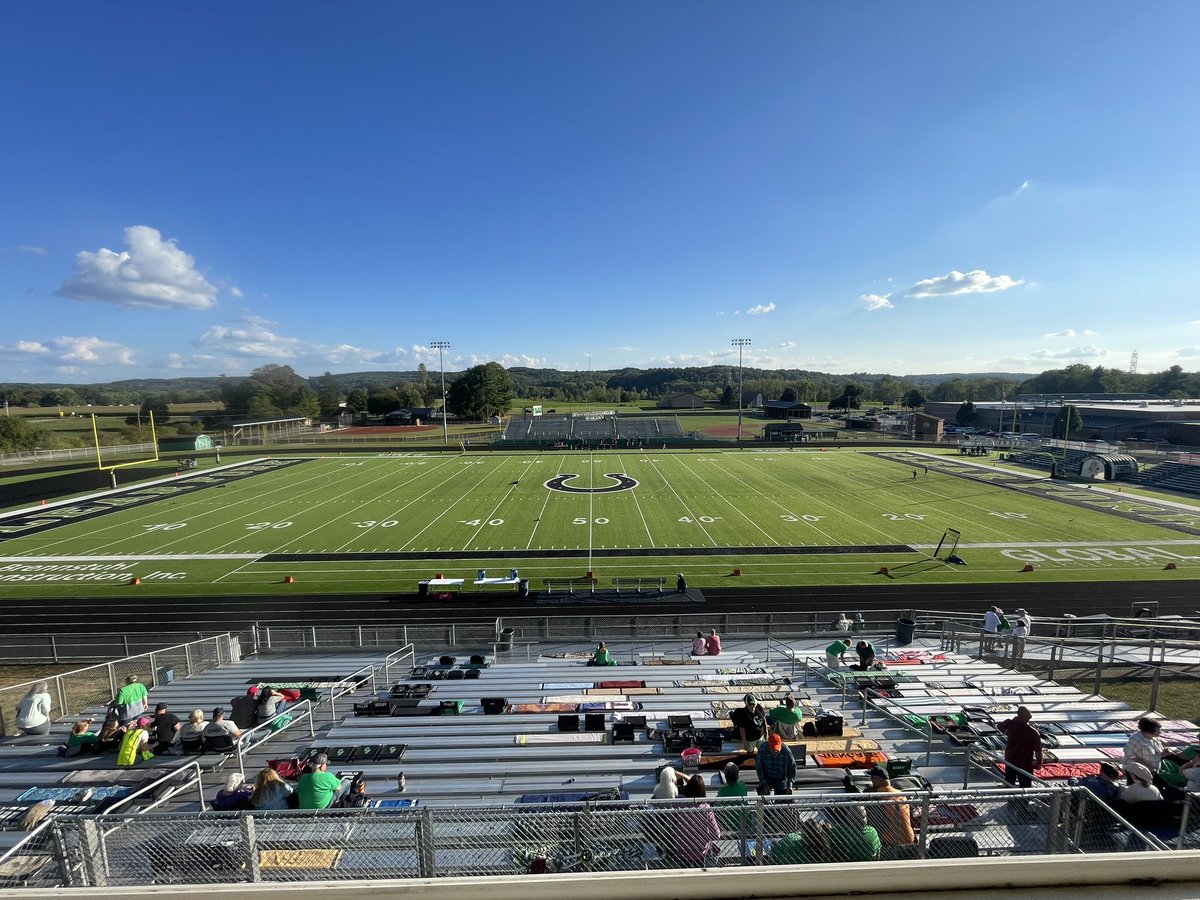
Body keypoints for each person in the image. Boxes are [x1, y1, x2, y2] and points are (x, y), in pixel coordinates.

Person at [659, 780, 721, 866]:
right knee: (716, 849)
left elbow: (668, 823)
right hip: (702, 851)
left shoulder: (679, 803)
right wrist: (704, 836)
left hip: (681, 849)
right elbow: (716, 835)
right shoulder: (706, 808)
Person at [864, 766, 915, 855]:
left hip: (890, 842)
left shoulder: (877, 796)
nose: (871, 781)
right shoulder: (901, 794)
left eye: (872, 778)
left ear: (878, 779)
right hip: (910, 839)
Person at [997, 706, 1043, 787]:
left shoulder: (1010, 724)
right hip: (1025, 763)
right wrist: (1038, 762)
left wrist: (1011, 721)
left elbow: (999, 727)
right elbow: (1038, 751)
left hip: (1011, 760)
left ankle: (1010, 794)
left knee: (1009, 784)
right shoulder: (1033, 732)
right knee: (1025, 786)